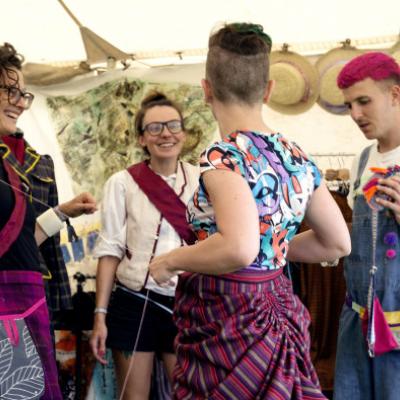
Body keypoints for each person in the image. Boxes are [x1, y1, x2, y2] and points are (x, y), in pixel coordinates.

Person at [149, 23, 351, 399]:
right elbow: (337, 243)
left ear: (206, 89)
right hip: (276, 302)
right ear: (269, 89)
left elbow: (238, 248)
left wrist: (171, 260)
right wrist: (272, 244)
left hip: (229, 315)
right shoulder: (296, 156)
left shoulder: (221, 157)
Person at [0, 43, 97, 398]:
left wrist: (63, 213)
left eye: (22, 93)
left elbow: (24, 237)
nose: (21, 102)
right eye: (10, 91)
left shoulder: (13, 166)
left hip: (26, 299)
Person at [90, 92, 199, 399]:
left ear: (184, 133)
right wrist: (100, 316)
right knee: (132, 396)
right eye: (154, 128)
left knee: (187, 394)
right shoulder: (122, 183)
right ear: (141, 139)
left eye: (173, 125)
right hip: (133, 302)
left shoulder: (204, 179)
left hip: (187, 303)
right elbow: (109, 251)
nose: (165, 133)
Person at [333, 52, 400, 400]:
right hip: (358, 324)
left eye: (363, 101)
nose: (355, 115)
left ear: (395, 94)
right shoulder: (360, 161)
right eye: (349, 106)